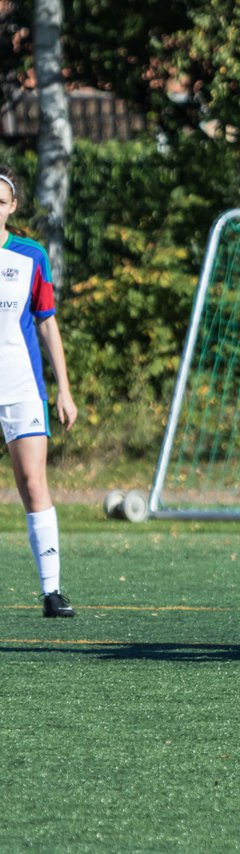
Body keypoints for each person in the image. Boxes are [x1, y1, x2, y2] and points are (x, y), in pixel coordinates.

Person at [0, 166, 78, 617]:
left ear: (12, 207)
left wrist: (64, 390)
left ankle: (52, 591)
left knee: (33, 483)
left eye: (0, 200)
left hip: (20, 385)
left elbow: (47, 322)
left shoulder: (30, 256)